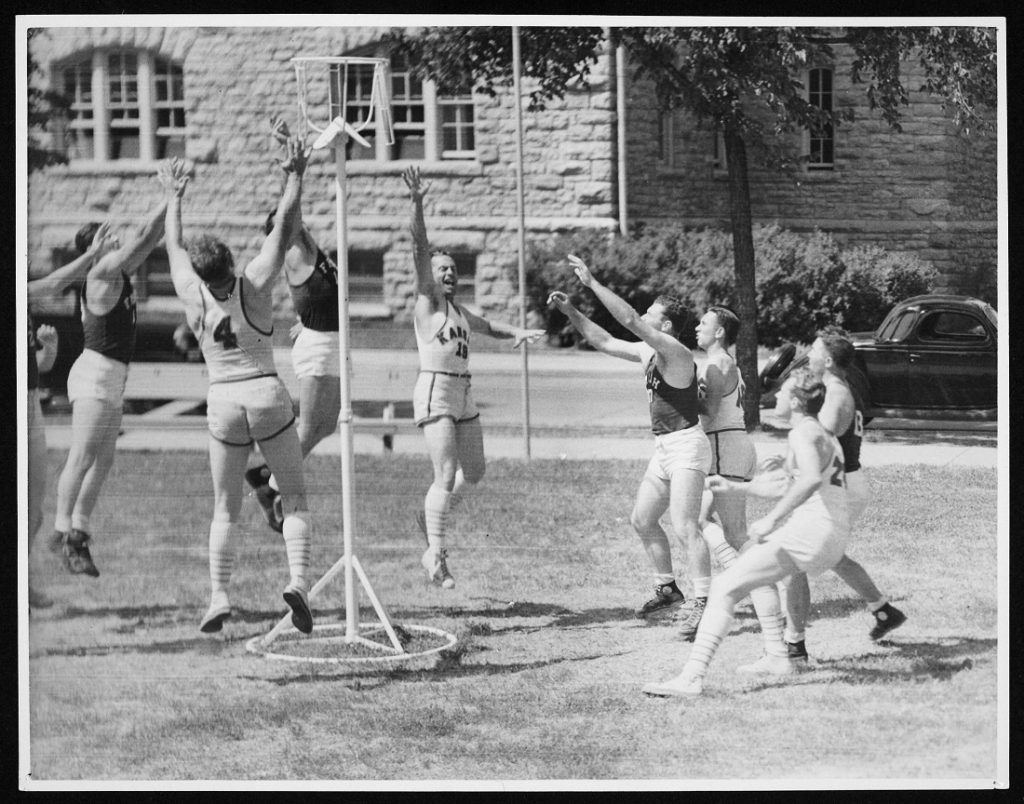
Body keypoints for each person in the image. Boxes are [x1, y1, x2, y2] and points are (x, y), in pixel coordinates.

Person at [159, 143, 316, 635]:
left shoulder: (192, 294)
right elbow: (285, 227)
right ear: (228, 260)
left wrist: (174, 195)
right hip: (265, 389)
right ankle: (297, 582)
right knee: (294, 496)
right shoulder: (251, 282)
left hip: (223, 397)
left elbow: (172, 246)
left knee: (224, 506)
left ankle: (219, 595)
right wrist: (295, 175)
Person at [642, 367, 848, 697]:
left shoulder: (802, 434)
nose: (776, 396)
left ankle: (691, 678)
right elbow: (785, 484)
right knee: (757, 577)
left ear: (795, 401)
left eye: (781, 392)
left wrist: (771, 520)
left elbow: (809, 480)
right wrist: (736, 488)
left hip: (812, 531)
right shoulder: (819, 432)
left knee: (724, 587)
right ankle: (779, 656)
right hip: (830, 533)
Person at [403, 165, 545, 589]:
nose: (448, 273)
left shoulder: (461, 314)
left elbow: (490, 327)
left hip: (463, 392)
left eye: (451, 269)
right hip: (435, 389)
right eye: (441, 269)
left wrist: (517, 331)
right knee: (444, 476)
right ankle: (437, 556)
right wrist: (417, 201)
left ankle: (432, 516)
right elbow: (418, 246)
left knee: (476, 471)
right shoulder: (429, 303)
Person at [548, 255, 711, 620]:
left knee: (686, 526)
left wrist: (591, 283)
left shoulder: (677, 353)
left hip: (687, 446)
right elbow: (604, 340)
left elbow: (628, 320)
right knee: (642, 519)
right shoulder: (647, 352)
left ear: (665, 324)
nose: (643, 314)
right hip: (665, 448)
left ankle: (703, 602)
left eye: (651, 312)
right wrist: (571, 310)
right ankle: (668, 590)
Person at [41, 192, 168, 578]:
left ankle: (77, 529)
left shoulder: (119, 274)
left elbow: (150, 237)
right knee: (81, 457)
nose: (117, 238)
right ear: (95, 249)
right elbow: (144, 237)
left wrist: (173, 204)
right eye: (109, 236)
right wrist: (168, 196)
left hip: (111, 376)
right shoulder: (101, 273)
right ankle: (63, 532)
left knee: (104, 459)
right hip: (95, 373)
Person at [781, 327, 907, 660]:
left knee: (795, 560)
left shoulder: (836, 393)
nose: (809, 354)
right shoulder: (835, 388)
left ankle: (793, 646)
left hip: (841, 485)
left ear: (829, 359)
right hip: (846, 483)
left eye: (815, 349)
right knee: (831, 555)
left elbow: (822, 440)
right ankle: (884, 611)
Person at [243, 119, 343, 532]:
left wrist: (289, 148)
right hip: (319, 344)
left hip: (328, 339)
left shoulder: (310, 247)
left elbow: (296, 214)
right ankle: (269, 483)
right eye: (291, 224)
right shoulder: (293, 252)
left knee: (329, 422)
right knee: (309, 426)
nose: (300, 225)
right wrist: (292, 168)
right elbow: (292, 211)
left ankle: (265, 475)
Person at [26, 314, 60, 608]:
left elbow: (33, 365)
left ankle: (23, 585)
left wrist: (48, 351)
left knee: (33, 513)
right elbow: (50, 284)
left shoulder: (25, 302)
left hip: (31, 402)